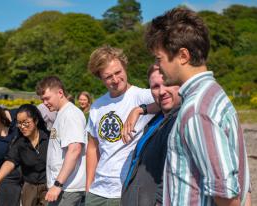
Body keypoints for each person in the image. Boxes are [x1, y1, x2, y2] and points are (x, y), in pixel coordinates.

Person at [146, 7, 251, 205]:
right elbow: (242, 181)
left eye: (159, 59)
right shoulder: (214, 95)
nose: (158, 66)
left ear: (183, 56)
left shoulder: (196, 110)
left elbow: (227, 194)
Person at [85, 45, 159, 205]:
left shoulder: (143, 96)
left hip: (125, 190)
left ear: (125, 67)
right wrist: (88, 187)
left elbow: (174, 101)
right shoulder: (97, 106)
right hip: (97, 192)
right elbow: (92, 147)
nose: (115, 79)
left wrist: (139, 110)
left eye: (118, 72)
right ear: (100, 78)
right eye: (108, 77)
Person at [121, 65, 181, 206]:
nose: (162, 91)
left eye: (168, 84)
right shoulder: (159, 117)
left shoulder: (180, 121)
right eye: (155, 87)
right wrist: (140, 110)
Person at [36, 75, 86, 206]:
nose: (45, 103)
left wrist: (57, 184)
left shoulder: (71, 115)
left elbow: (75, 150)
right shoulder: (61, 113)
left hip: (68, 188)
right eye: (42, 100)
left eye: (47, 98)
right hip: (62, 187)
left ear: (60, 93)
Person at [0, 104, 50, 206]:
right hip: (29, 187)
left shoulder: (49, 138)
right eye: (19, 123)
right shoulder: (19, 143)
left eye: (26, 123)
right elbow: (9, 162)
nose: (22, 127)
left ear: (36, 121)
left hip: (49, 186)